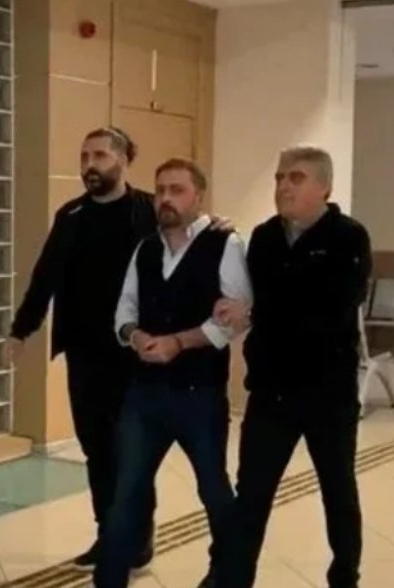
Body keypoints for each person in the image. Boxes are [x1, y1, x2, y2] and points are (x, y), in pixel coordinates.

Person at [213, 146, 372, 588]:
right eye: (280, 178)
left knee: (338, 491)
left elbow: (333, 307)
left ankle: (345, 576)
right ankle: (234, 579)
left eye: (296, 178)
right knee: (252, 493)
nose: (283, 186)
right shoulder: (265, 237)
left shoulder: (348, 237)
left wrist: (258, 312)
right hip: (271, 391)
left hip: (328, 393)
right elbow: (250, 295)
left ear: (324, 187)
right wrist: (216, 238)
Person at [1, 127, 158, 571]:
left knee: (132, 451)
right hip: (85, 355)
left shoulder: (148, 211)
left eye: (100, 156)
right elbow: (45, 277)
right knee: (97, 449)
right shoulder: (71, 216)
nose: (90, 165)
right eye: (85, 156)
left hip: (134, 353)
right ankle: (109, 533)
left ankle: (137, 536)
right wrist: (20, 331)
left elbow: (190, 249)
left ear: (123, 159)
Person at [94, 158, 251, 588]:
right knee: (126, 491)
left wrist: (179, 342)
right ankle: (109, 580)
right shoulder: (145, 249)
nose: (165, 198)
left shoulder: (225, 243)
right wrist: (135, 335)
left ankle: (227, 576)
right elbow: (124, 309)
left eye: (177, 190)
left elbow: (234, 320)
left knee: (213, 490)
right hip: (144, 393)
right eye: (161, 189)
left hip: (199, 393)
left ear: (198, 196)